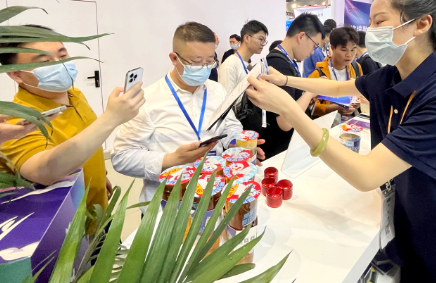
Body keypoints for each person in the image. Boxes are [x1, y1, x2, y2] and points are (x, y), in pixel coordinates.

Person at [246, 0, 436, 283]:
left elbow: (366, 174)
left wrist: (290, 110)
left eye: (379, 21)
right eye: (370, 23)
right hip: (422, 246)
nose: (371, 31)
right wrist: (286, 80)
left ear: (421, 24)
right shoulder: (395, 75)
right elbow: (338, 87)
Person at [0, 25, 145, 211]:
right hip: (65, 223)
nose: (60, 65)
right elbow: (45, 171)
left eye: (63, 56)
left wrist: (99, 174)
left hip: (98, 211)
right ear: (16, 74)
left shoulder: (75, 94)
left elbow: (87, 140)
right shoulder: (17, 120)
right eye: (45, 62)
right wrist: (111, 118)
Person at [111, 22, 262, 208]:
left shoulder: (217, 90)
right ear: (174, 58)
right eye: (196, 62)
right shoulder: (148, 100)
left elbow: (230, 124)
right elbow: (122, 157)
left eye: (209, 61)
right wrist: (172, 160)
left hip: (214, 197)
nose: (204, 68)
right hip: (168, 206)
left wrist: (239, 145)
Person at [261, 13, 324, 159]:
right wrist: (312, 90)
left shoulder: (287, 61)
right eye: (314, 45)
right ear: (301, 36)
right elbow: (285, 122)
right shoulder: (279, 64)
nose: (312, 52)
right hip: (279, 151)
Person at [309, 27, 362, 118]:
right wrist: (333, 108)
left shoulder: (356, 68)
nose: (349, 55)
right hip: (327, 124)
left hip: (350, 122)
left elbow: (361, 94)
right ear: (332, 48)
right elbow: (309, 107)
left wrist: (359, 102)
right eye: (344, 50)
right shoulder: (319, 73)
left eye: (353, 49)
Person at [218, 20, 268, 94]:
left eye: (264, 41)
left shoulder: (246, 64)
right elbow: (226, 99)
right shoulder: (230, 65)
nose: (263, 44)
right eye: (261, 39)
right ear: (247, 38)